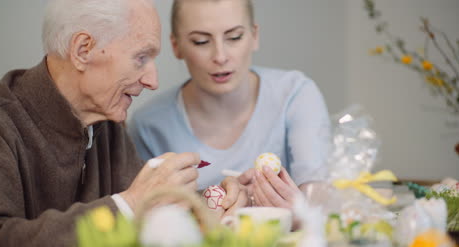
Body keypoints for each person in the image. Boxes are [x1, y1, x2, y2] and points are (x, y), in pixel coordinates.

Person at [0, 0, 247, 246]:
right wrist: (130, 205)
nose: (152, 81)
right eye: (141, 58)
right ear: (83, 50)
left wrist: (213, 202)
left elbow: (151, 203)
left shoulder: (106, 122)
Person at [128, 0, 331, 201]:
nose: (220, 56)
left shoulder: (295, 95)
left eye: (234, 37)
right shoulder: (148, 126)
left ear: (254, 36)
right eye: (201, 41)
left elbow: (318, 197)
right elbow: (148, 215)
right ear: (176, 46)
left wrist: (297, 215)